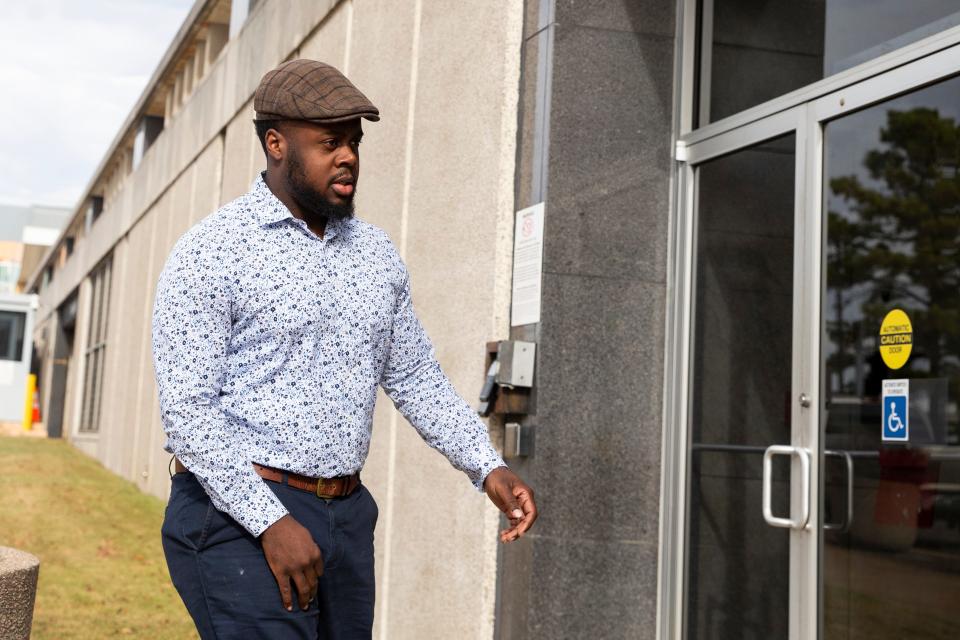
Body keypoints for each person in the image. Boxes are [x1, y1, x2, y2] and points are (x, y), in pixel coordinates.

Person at [151, 59, 537, 639]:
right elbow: (187, 410)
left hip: (347, 519)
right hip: (237, 514)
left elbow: (414, 378)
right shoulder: (212, 251)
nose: (349, 156)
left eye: (354, 141)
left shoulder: (376, 256)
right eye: (330, 142)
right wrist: (269, 522)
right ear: (276, 144)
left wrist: (486, 467)